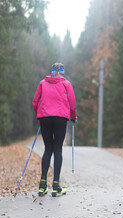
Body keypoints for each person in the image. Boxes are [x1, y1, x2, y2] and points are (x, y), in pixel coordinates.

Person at [32, 62, 77, 197]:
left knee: (48, 149)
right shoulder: (66, 84)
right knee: (57, 149)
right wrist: (73, 117)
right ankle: (56, 185)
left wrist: (40, 114)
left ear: (51, 71)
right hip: (60, 118)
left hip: (45, 118)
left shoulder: (42, 83)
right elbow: (72, 104)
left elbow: (35, 101)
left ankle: (42, 185)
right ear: (62, 72)